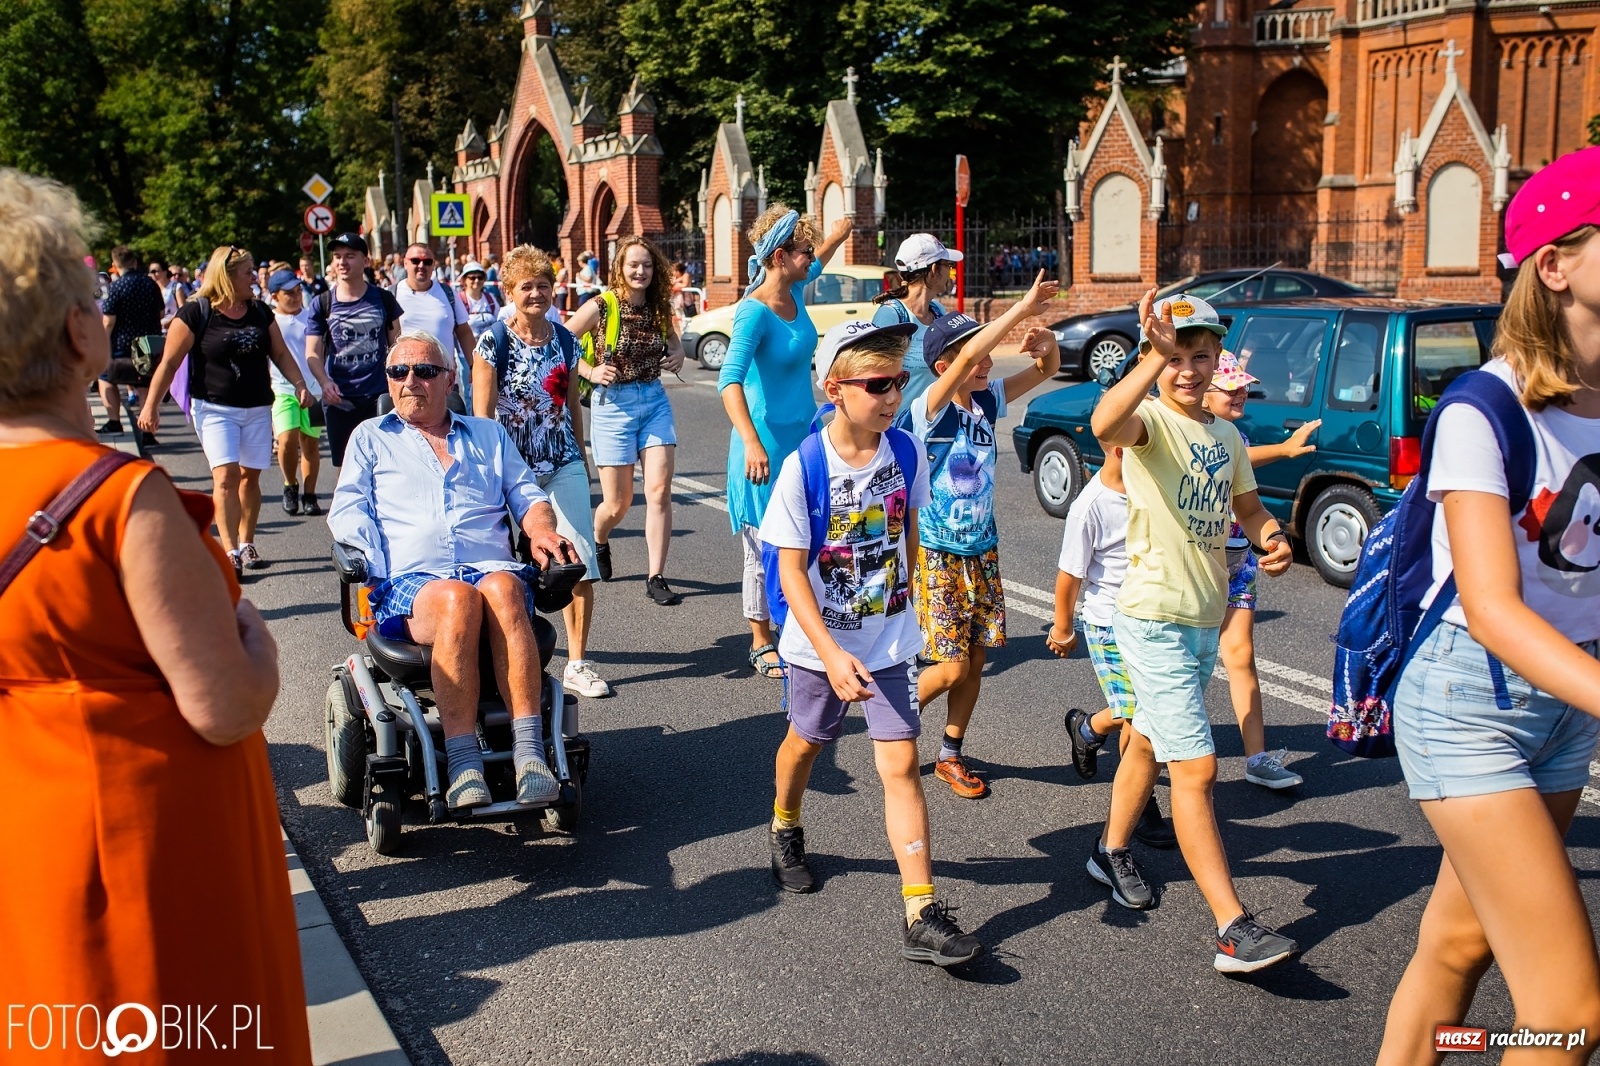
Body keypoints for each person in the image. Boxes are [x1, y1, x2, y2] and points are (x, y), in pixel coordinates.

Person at [0, 166, 311, 1062]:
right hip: (135, 849)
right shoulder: (118, 499)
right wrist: (255, 641)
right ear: (76, 335)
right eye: (93, 304)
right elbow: (223, 703)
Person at [1378, 146, 1600, 1065]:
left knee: (1458, 945)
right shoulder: (1484, 408)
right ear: (1556, 266)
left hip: (1564, 706)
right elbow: (1495, 608)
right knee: (1570, 1014)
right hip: (1475, 696)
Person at [760, 318, 984, 968]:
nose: (891, 396)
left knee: (900, 766)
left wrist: (915, 601)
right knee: (807, 743)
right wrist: (830, 654)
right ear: (835, 389)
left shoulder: (907, 451)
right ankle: (785, 824)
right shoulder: (805, 468)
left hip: (887, 642)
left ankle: (920, 910)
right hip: (819, 648)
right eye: (877, 383)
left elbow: (909, 530)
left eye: (900, 380)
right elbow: (789, 571)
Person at [1090, 290, 1300, 973]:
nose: (1188, 369)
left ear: (1218, 361)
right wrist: (1150, 355)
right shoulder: (1151, 421)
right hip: (1153, 617)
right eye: (1176, 357)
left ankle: (1110, 850)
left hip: (1202, 618)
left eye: (1199, 356)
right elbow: (1104, 421)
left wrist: (1271, 537)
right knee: (1198, 768)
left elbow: (1245, 503)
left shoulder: (1226, 435)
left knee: (1146, 744)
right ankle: (1231, 928)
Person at [331, 331, 577, 809]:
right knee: (456, 599)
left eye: (423, 371)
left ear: (449, 379)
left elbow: (526, 495)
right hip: (410, 582)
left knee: (504, 587)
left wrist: (542, 533)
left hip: (490, 568)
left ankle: (529, 756)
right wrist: (362, 557)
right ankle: (464, 761)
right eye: (398, 372)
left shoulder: (487, 434)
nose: (409, 381)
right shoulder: (370, 438)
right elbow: (348, 510)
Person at [908, 275, 1061, 799]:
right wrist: (1019, 307)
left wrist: (1048, 346)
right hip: (938, 553)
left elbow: (1047, 370)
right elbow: (976, 349)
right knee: (950, 667)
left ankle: (950, 753)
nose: (988, 359)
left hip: (981, 550)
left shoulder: (986, 400)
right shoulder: (931, 408)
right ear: (943, 367)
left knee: (974, 659)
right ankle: (895, 709)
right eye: (975, 353)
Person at [718, 205, 852, 677]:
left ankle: (800, 627)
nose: (811, 260)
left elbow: (819, 261)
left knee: (805, 540)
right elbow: (729, 380)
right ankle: (761, 639)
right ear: (779, 256)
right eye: (804, 252)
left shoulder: (795, 290)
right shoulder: (753, 313)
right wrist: (751, 443)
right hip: (763, 449)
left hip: (803, 442)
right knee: (763, 550)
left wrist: (837, 233)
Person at [473, 246, 611, 699]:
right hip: (512, 469)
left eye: (543, 285)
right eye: (526, 286)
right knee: (504, 563)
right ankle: (505, 649)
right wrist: (487, 473)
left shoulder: (565, 340)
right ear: (509, 291)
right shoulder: (493, 341)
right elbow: (482, 415)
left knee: (580, 559)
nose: (536, 294)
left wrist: (582, 452)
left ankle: (577, 662)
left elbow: (571, 402)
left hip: (562, 459)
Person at [1050, 446, 1176, 913]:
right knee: (1135, 714)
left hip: (1153, 621)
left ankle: (1087, 730)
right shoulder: (1091, 504)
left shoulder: (1153, 487)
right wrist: (1063, 628)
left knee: (1139, 718)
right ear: (1116, 444)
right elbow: (1070, 575)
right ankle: (1137, 810)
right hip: (1106, 623)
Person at [140, 246, 313, 576]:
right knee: (225, 477)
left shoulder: (260, 312)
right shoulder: (195, 313)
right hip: (215, 407)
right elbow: (170, 363)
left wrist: (299, 384)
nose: (254, 279)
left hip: (258, 406)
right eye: (248, 272)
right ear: (227, 275)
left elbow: (279, 352)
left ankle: (247, 542)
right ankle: (229, 549)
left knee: (250, 478)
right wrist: (151, 405)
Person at [1201, 350, 1320, 789]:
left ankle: (1257, 759)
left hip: (1238, 561)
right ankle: (1098, 728)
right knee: (1182, 672)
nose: (1240, 392)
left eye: (1242, 384)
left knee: (1241, 656)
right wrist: (1286, 451)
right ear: (1201, 391)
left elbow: (1245, 473)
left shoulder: (1234, 436)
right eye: (1229, 386)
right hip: (1195, 565)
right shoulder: (1186, 436)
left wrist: (1274, 541)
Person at [567, 235, 687, 606]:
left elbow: (673, 341)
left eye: (647, 265)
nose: (641, 271)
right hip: (612, 406)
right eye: (634, 265)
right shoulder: (601, 306)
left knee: (658, 491)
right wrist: (589, 369)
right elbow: (562, 340)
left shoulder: (658, 307)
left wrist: (679, 353)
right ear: (620, 268)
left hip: (653, 400)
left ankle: (656, 575)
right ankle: (600, 538)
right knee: (618, 504)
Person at [304, 232, 405, 468]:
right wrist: (323, 382)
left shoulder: (384, 299)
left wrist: (397, 384)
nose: (342, 262)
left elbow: (398, 346)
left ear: (366, 261)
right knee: (347, 468)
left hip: (379, 395)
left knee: (385, 464)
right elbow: (313, 352)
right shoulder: (322, 303)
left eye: (350, 256)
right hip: (340, 398)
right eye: (337, 257)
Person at [871, 233, 961, 403]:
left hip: (934, 424)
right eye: (948, 265)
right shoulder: (890, 315)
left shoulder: (938, 311)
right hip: (899, 425)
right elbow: (876, 377)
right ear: (934, 270)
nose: (950, 271)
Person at [394, 242, 477, 409]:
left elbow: (464, 332)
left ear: (434, 265)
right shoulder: (391, 294)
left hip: (443, 380)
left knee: (448, 431)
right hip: (406, 381)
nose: (421, 266)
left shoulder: (447, 293)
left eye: (427, 262)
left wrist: (474, 367)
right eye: (415, 261)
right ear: (405, 263)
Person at [268, 268, 324, 516]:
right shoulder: (270, 321)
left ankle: (309, 495)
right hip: (281, 389)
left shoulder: (311, 317)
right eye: (288, 293)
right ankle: (290, 484)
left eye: (298, 291)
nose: (295, 296)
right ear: (274, 296)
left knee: (310, 444)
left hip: (313, 389)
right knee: (287, 440)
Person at [98, 243, 164, 438]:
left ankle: (114, 422)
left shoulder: (116, 286)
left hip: (121, 343)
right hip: (147, 344)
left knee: (106, 378)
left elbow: (109, 320)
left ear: (115, 264)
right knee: (144, 384)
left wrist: (102, 344)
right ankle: (147, 431)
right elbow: (161, 312)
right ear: (134, 262)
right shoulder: (150, 284)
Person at [461, 260, 500, 337]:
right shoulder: (459, 300)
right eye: (472, 278)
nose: (476, 280)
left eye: (480, 277)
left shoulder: (490, 298)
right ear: (464, 280)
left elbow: (498, 321)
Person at [149, 257, 187, 329]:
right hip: (156, 329)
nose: (153, 274)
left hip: (172, 327)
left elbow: (182, 308)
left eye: (155, 271)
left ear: (165, 272)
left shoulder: (176, 287)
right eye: (151, 272)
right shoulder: (151, 288)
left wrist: (170, 321)